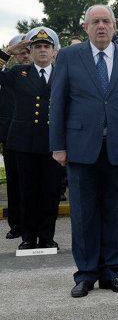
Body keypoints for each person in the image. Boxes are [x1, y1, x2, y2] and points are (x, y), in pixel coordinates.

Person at [49, 4, 118, 298]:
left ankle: (111, 272)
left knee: (116, 213)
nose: (101, 26)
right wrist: (58, 146)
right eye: (95, 22)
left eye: (106, 21)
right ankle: (85, 274)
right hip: (80, 150)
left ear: (115, 26)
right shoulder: (68, 56)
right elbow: (58, 103)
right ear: (86, 27)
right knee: (82, 214)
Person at [0, 28, 63, 249]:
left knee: (50, 192)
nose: (43, 50)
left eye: (47, 46)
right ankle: (28, 238)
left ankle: (47, 237)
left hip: (53, 144)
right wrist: (7, 52)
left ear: (54, 52)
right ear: (31, 51)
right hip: (24, 143)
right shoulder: (19, 73)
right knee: (27, 191)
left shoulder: (62, 74)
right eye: (37, 47)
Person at [1, 34, 27, 240]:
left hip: (38, 137)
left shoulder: (42, 73)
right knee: (15, 183)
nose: (25, 55)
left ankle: (39, 227)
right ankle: (17, 224)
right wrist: (8, 51)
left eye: (28, 50)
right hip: (10, 137)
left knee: (40, 184)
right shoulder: (7, 75)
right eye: (21, 51)